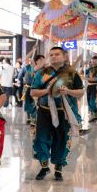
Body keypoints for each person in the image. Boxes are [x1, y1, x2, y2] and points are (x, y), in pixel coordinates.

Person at [29, 45, 85, 181]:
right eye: (51, 55)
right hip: (44, 111)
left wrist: (69, 92)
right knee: (40, 139)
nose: (53, 57)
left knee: (62, 140)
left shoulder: (72, 73)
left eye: (57, 54)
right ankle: (44, 167)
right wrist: (46, 91)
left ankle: (59, 169)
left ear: (64, 56)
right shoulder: (42, 73)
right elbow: (33, 92)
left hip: (64, 113)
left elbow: (81, 92)